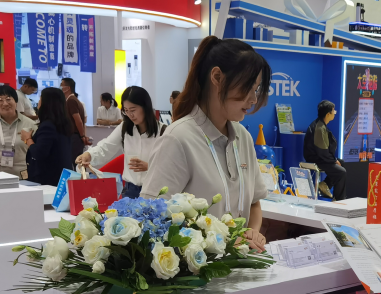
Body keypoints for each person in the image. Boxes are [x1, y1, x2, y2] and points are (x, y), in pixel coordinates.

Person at [141, 36, 271, 252]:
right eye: (249, 87)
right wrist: (214, 243)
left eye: (256, 89)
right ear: (217, 77)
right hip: (196, 269)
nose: (253, 99)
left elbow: (254, 202)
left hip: (240, 264)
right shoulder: (178, 138)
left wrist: (252, 232)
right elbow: (152, 219)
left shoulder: (243, 137)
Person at [78, 86, 162, 199]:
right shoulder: (125, 128)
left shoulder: (164, 131)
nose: (130, 115)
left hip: (155, 191)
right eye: (126, 111)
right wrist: (89, 154)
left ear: (145, 106)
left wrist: (150, 166)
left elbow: (173, 165)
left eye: (133, 110)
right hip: (130, 191)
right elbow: (106, 147)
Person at [0, 84, 35, 178]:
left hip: (23, 175)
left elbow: (36, 149)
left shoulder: (30, 124)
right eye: (0, 100)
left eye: (8, 99)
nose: (5, 103)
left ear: (16, 101)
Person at [26, 87, 76, 186]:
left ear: (46, 103)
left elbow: (39, 153)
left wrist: (28, 139)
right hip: (61, 175)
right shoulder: (64, 124)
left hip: (47, 177)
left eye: (40, 99)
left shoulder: (47, 126)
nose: (39, 102)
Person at [303, 99, 346, 200]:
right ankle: (339, 199)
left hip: (320, 157)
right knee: (341, 172)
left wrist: (335, 160)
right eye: (333, 111)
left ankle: (325, 184)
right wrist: (333, 160)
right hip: (316, 159)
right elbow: (322, 152)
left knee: (341, 163)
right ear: (328, 114)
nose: (335, 113)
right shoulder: (319, 128)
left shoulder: (321, 125)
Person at [60, 77, 89, 163]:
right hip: (75, 137)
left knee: (75, 163)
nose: (60, 87)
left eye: (62, 85)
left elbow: (78, 120)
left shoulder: (71, 101)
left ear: (68, 88)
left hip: (75, 137)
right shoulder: (73, 100)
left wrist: (82, 136)